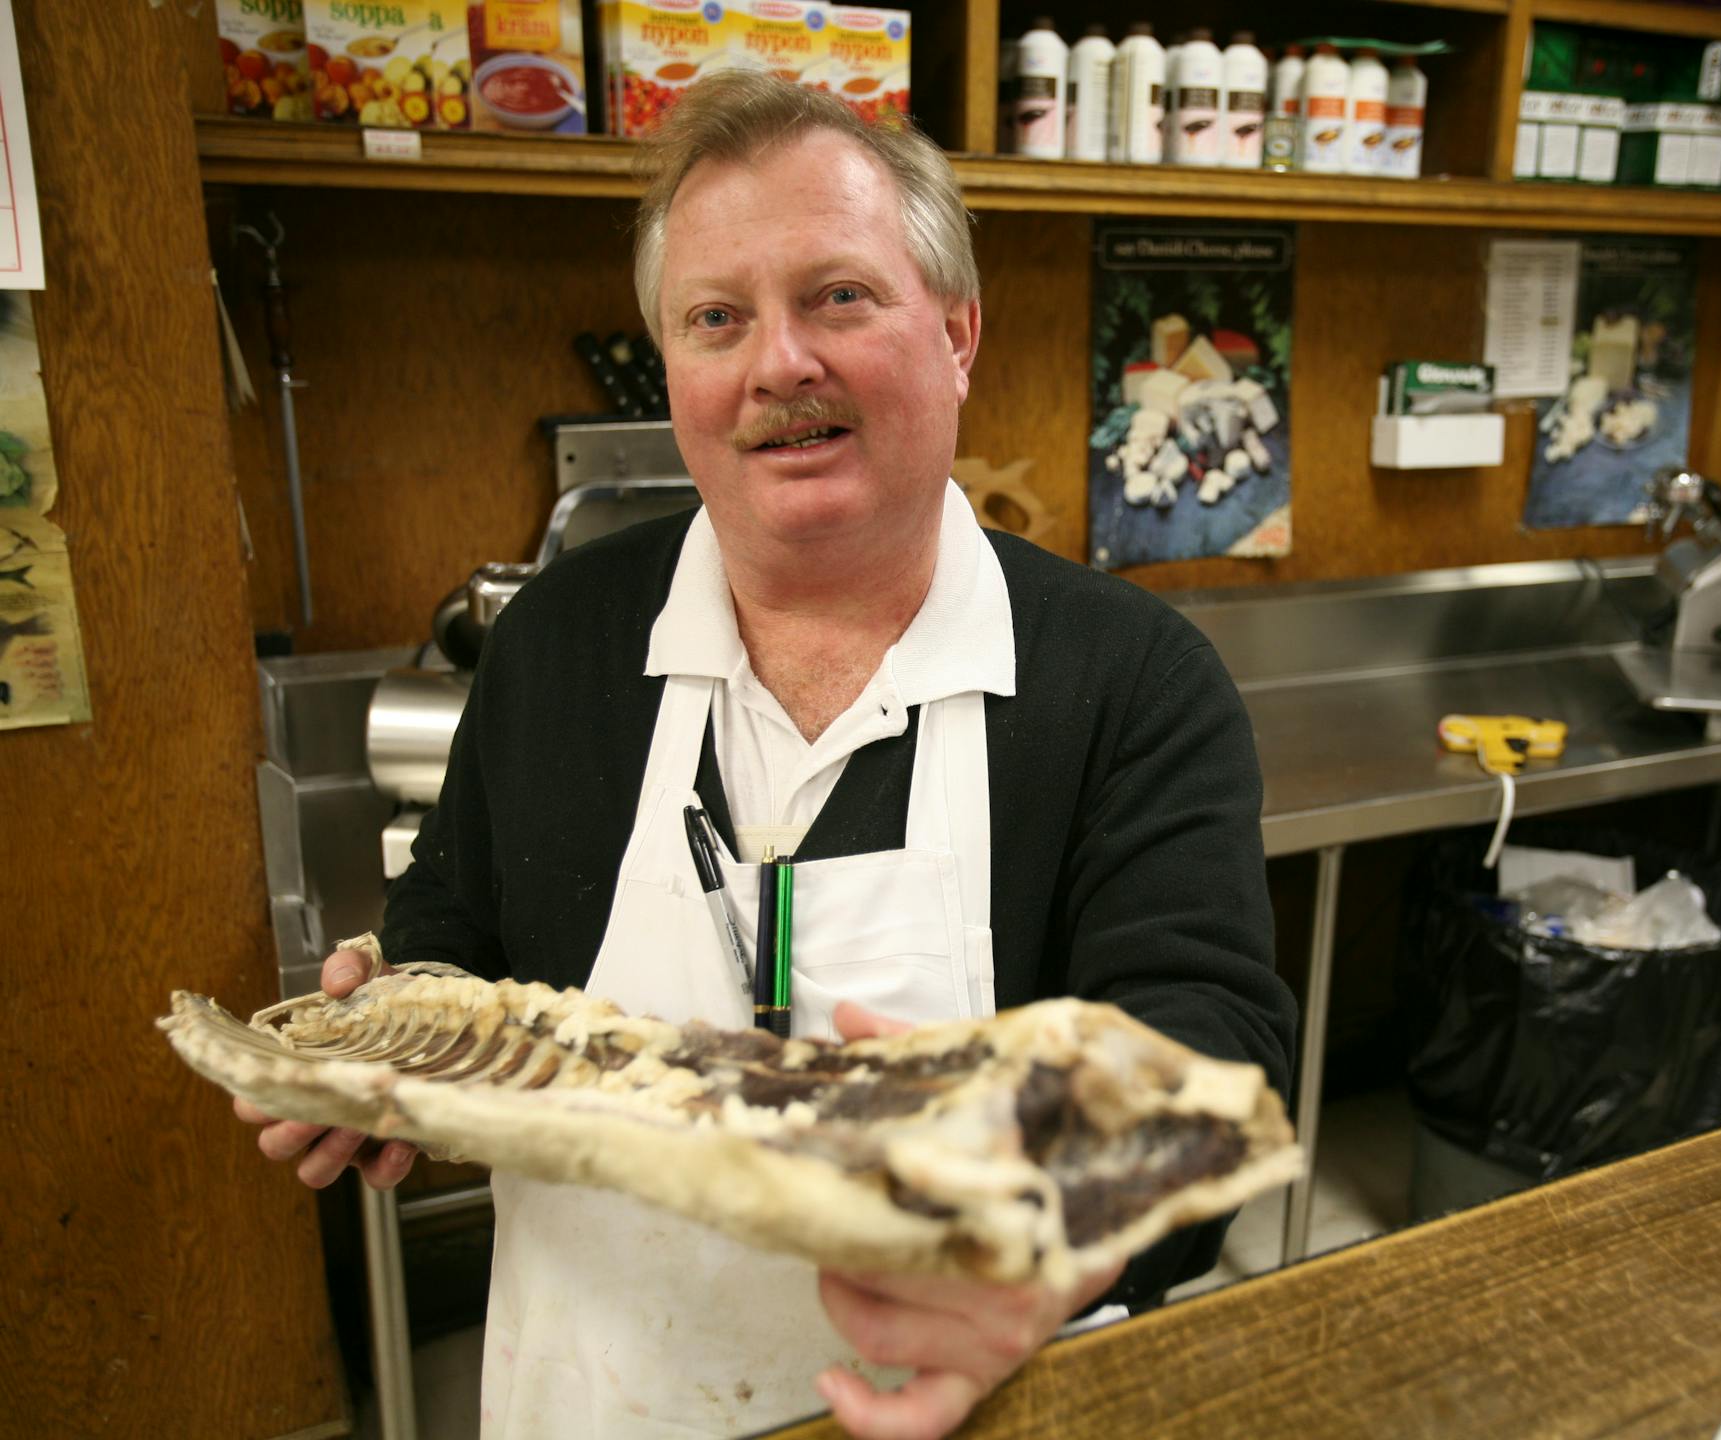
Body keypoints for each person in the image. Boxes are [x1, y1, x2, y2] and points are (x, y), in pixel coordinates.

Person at [237, 70, 1295, 1440]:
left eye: (839, 297)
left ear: (959, 331)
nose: (777, 365)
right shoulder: (560, 643)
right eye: (717, 319)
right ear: (673, 365)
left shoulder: (1131, 680)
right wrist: (396, 1043)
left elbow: (1209, 1049)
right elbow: (459, 935)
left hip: (974, 1393)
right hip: (600, 1398)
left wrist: (1046, 1214)